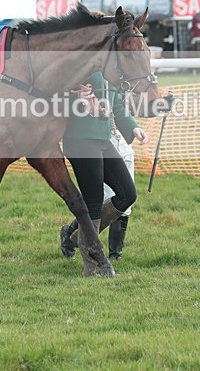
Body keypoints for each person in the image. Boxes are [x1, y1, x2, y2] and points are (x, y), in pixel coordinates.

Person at [58, 72, 148, 275]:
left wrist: (133, 128)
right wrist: (75, 99)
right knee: (94, 202)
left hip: (103, 139)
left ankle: (74, 236)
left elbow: (115, 100)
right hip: (80, 138)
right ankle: (93, 265)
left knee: (128, 194)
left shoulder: (107, 66)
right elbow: (54, 91)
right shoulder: (80, 59)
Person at [60, 128, 135, 261]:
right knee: (98, 200)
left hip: (120, 141)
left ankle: (115, 254)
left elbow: (127, 107)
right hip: (93, 138)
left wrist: (156, 109)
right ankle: (78, 240)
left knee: (126, 199)